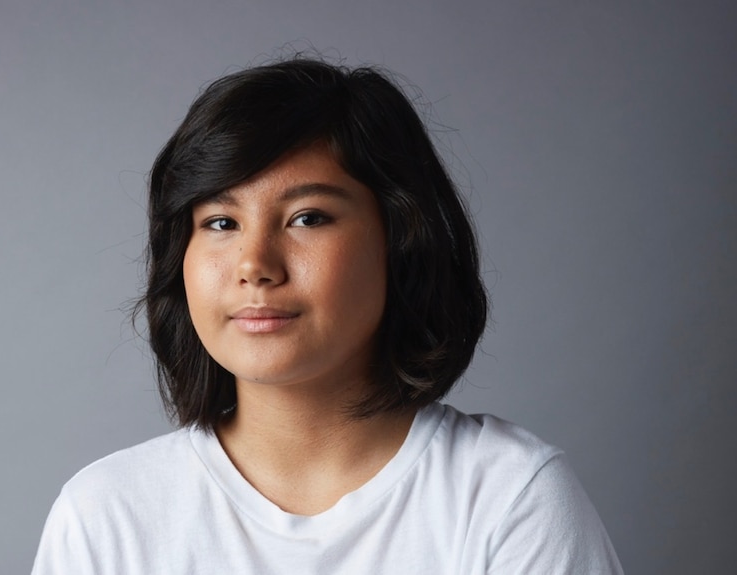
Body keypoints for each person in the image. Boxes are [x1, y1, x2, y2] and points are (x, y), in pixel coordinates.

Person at [32, 58, 623, 574]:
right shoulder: (106, 515)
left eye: (308, 218)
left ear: (399, 242)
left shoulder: (507, 497)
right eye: (220, 223)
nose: (255, 265)